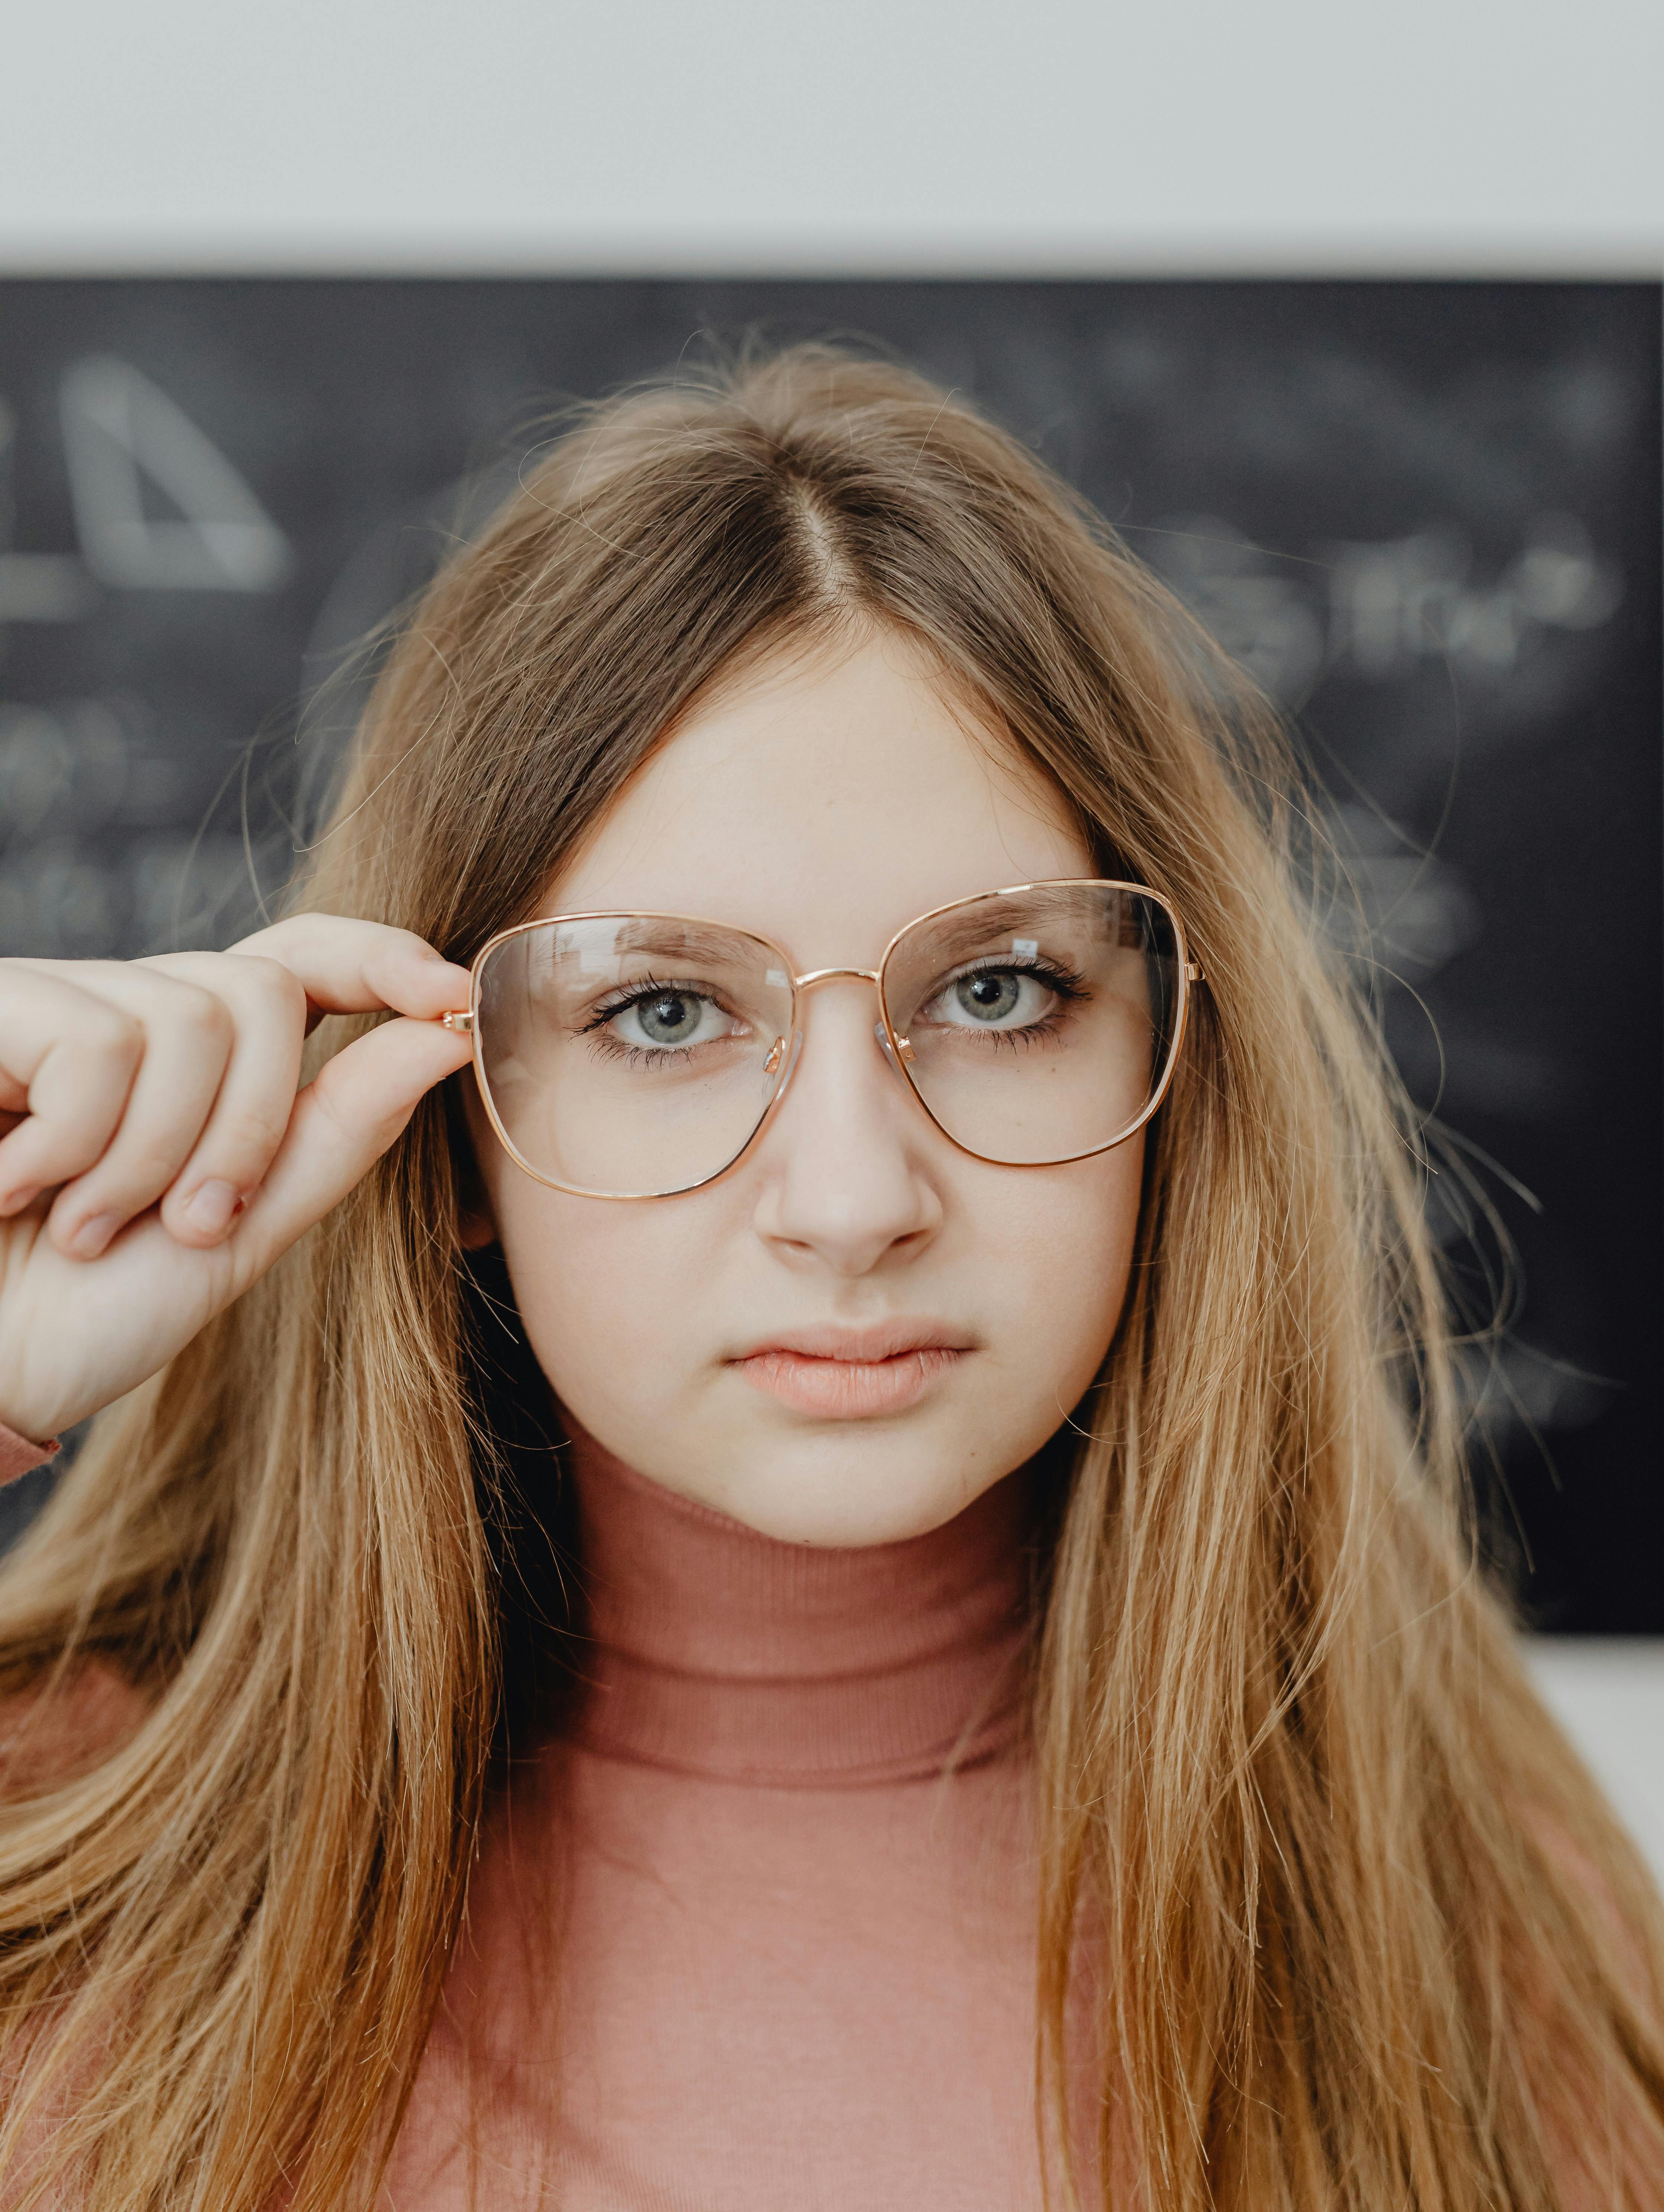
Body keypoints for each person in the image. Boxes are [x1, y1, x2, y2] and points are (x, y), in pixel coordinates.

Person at [0, 346, 1658, 2212]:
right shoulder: (53, 1867)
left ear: (1170, 1077)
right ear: (443, 1122)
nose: (856, 1197)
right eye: (662, 1009)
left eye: (1000, 991)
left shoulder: (1474, 1922)